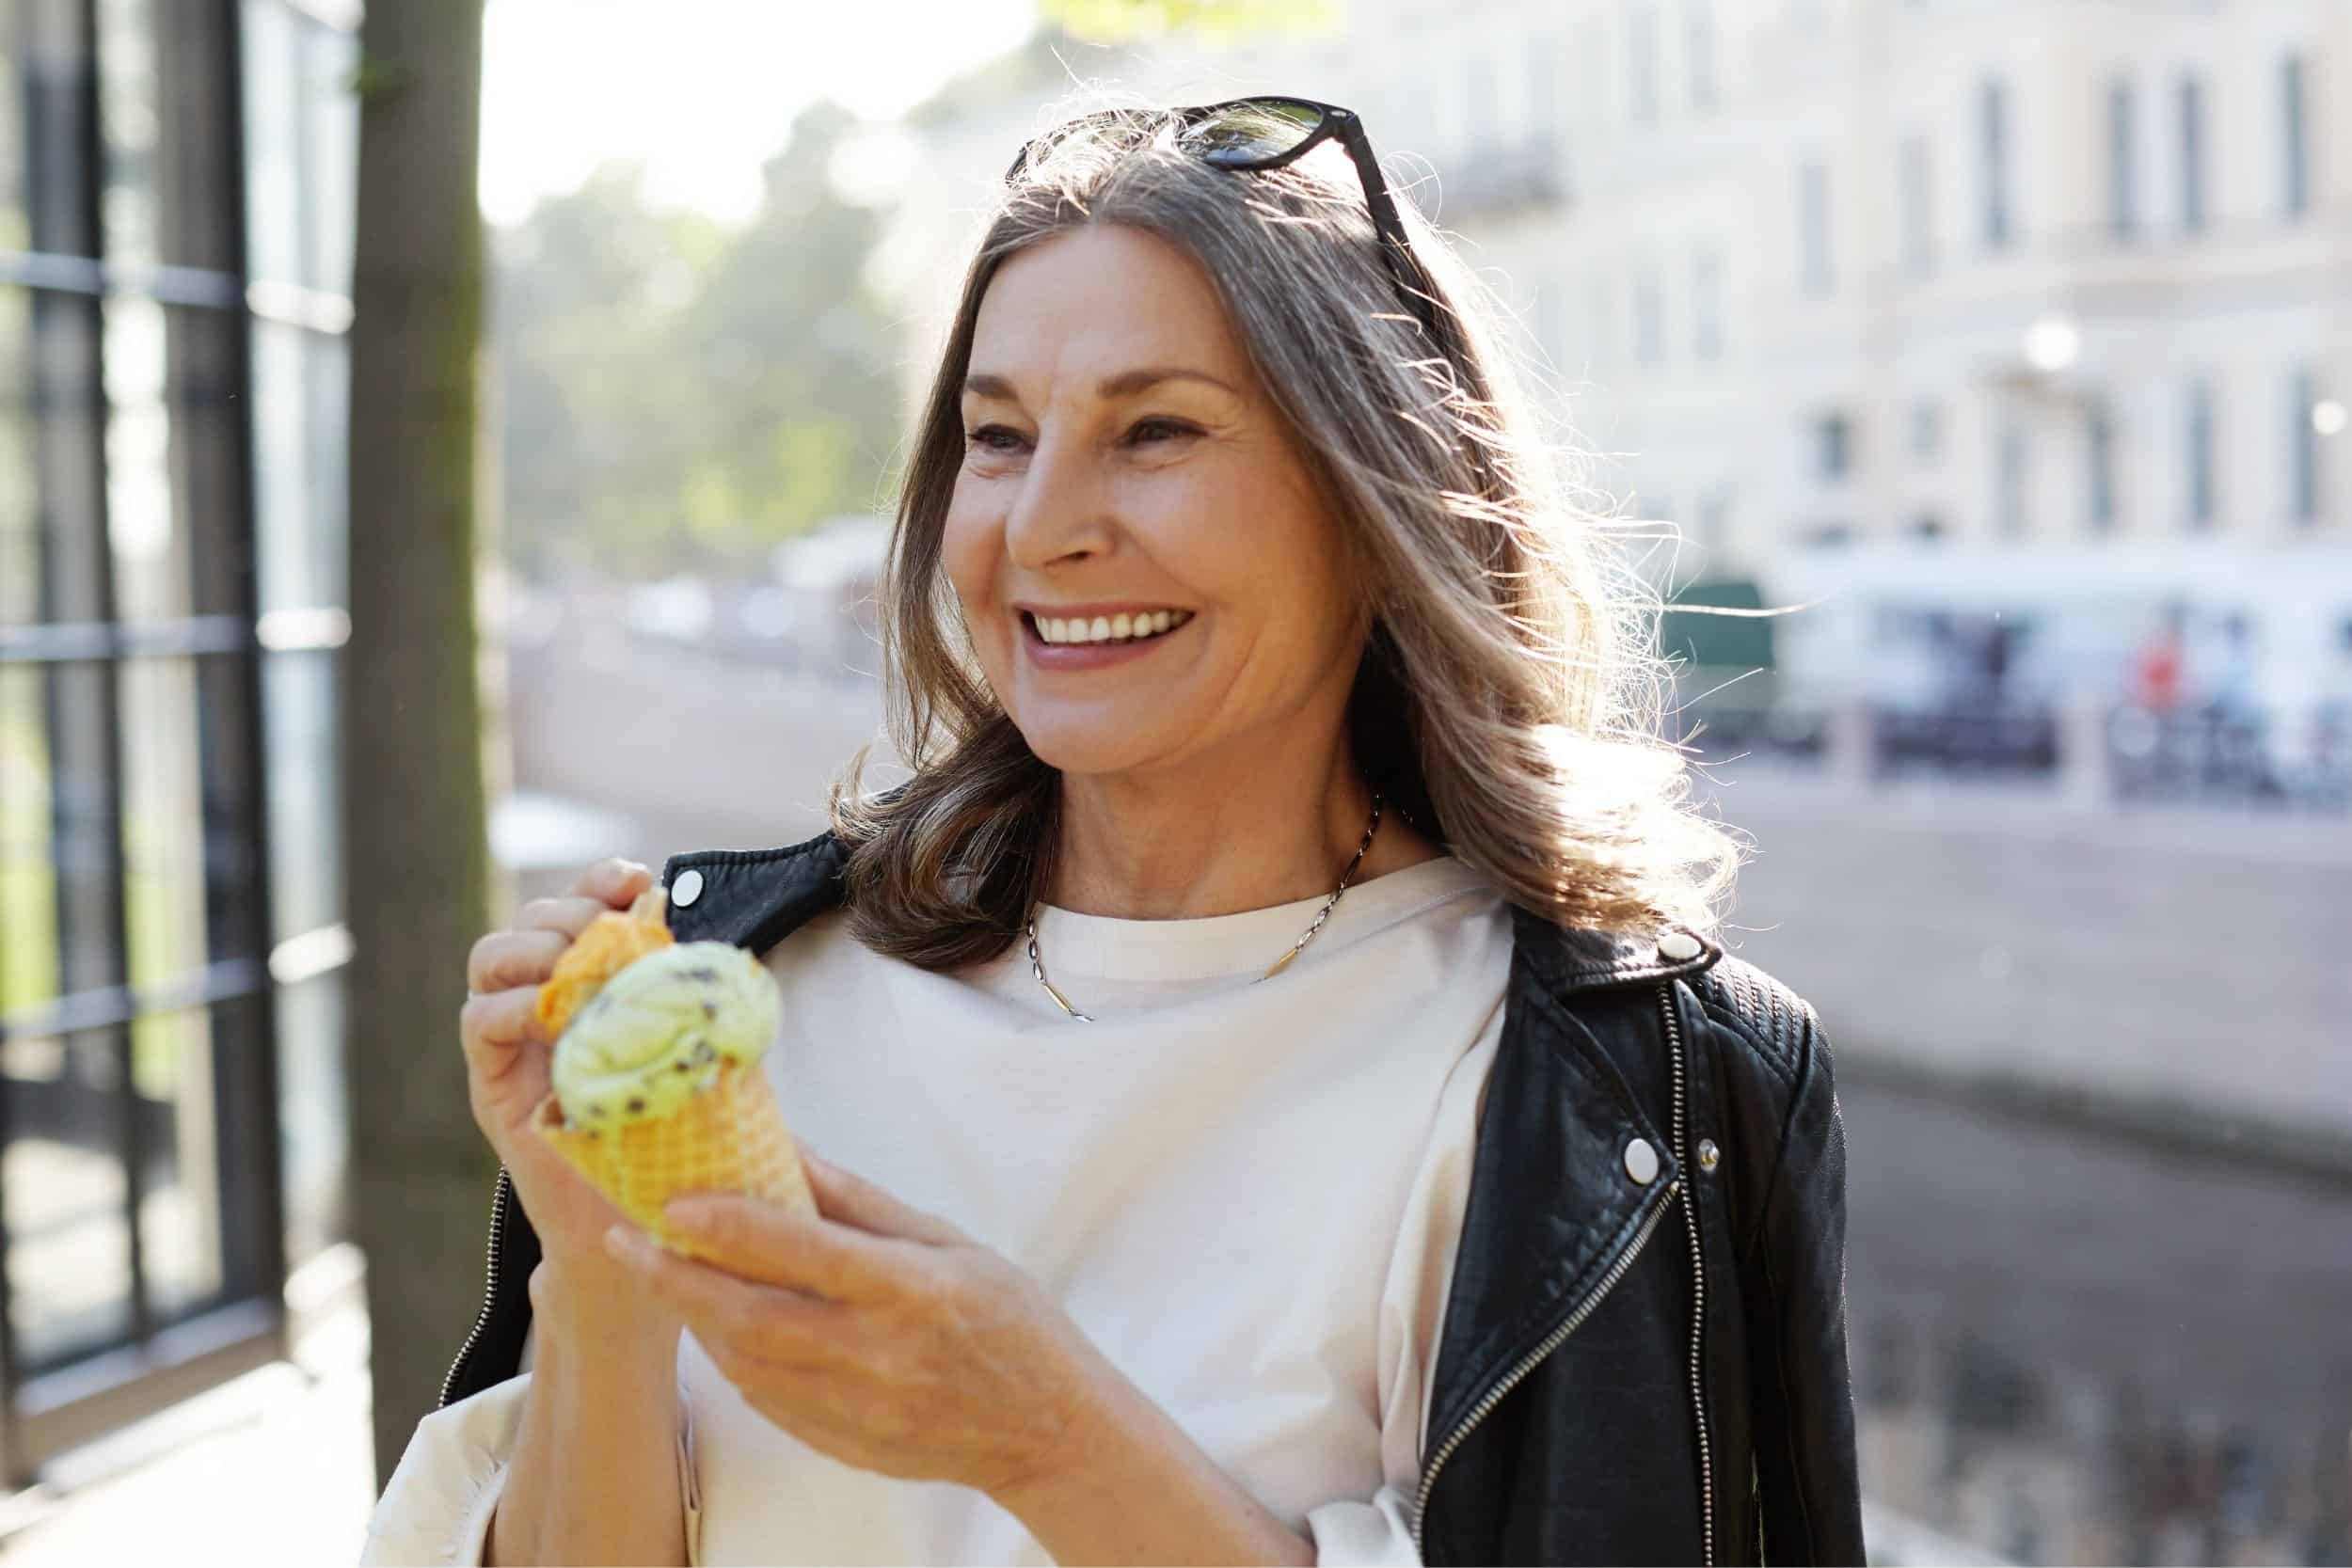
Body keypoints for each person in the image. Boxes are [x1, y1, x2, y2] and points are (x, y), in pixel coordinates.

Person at [362, 97, 1862, 1566]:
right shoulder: (755, 995)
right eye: (998, 437)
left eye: (1155, 430)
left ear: (1374, 494)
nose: (1041, 526)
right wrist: (607, 1278)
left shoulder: (1603, 1088)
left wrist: (1047, 1438)